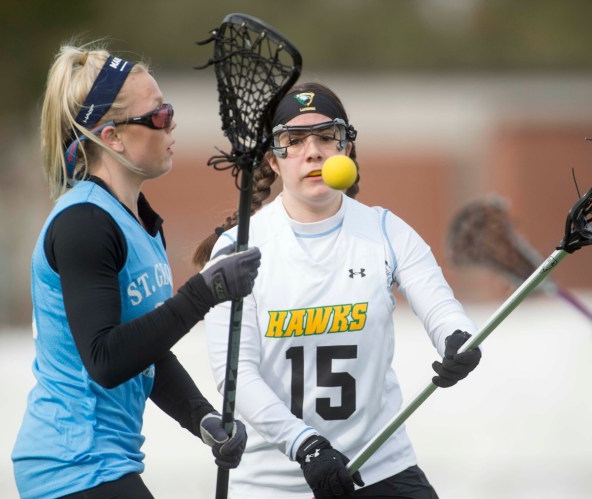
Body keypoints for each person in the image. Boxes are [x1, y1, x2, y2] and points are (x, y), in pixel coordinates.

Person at [193, 82, 482, 499]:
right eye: (293, 140)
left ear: (345, 149)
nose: (313, 151)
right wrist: (304, 445)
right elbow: (235, 377)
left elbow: (440, 304)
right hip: (273, 483)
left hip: (379, 468)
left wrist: (458, 338)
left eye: (326, 137)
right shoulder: (236, 248)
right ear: (274, 161)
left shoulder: (385, 230)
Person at [11, 42, 262, 499]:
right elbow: (106, 359)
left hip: (103, 463)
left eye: (170, 110)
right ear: (112, 137)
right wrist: (204, 293)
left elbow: (143, 349)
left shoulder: (140, 223)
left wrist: (200, 416)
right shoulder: (84, 224)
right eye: (158, 115)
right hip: (71, 466)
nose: (172, 123)